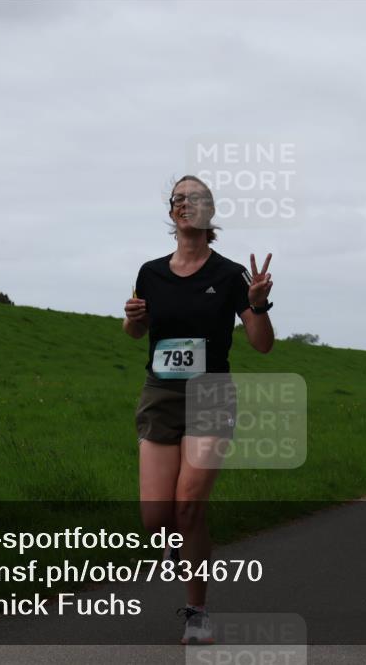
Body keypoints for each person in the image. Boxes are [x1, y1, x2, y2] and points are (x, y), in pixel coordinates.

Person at [123, 175, 274, 645]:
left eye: (197, 199)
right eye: (179, 199)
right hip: (160, 392)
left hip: (211, 393)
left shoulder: (231, 275)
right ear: (171, 213)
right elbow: (136, 333)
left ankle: (197, 612)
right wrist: (132, 320)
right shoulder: (150, 271)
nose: (186, 205)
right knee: (156, 517)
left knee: (189, 506)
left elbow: (262, 345)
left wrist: (258, 304)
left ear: (211, 213)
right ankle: (179, 550)